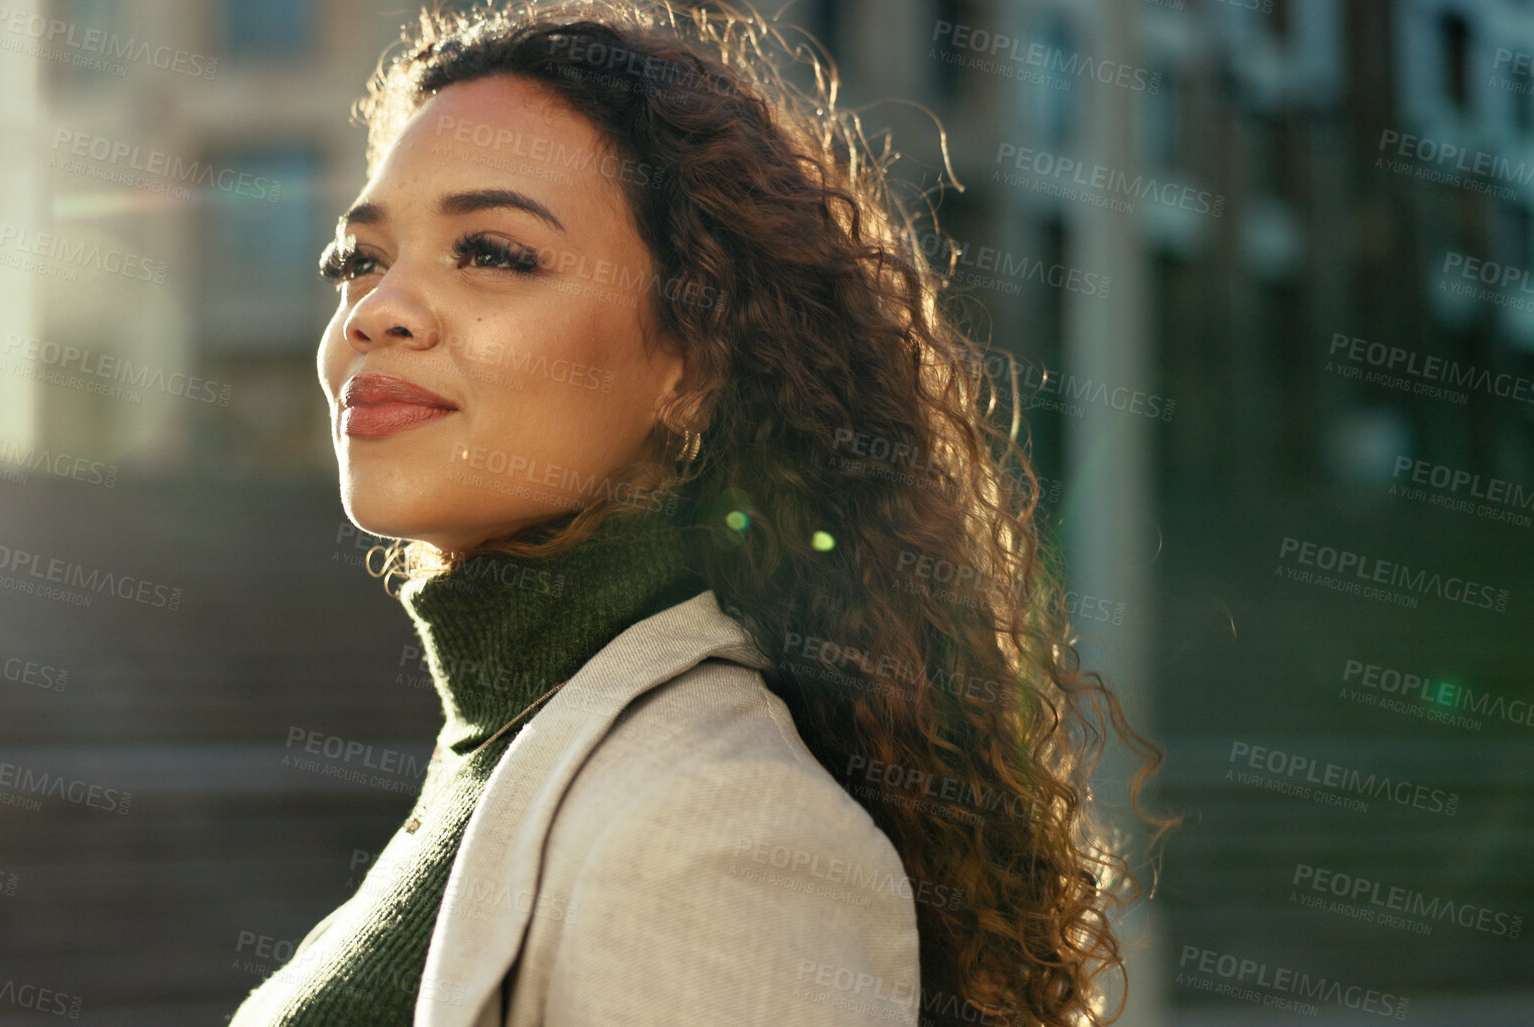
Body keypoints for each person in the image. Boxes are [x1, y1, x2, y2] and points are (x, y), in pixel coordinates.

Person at [229, 1, 1173, 1024]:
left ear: (689, 363)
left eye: (493, 251)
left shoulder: (717, 824)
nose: (373, 311)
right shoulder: (508, 734)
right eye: (358, 260)